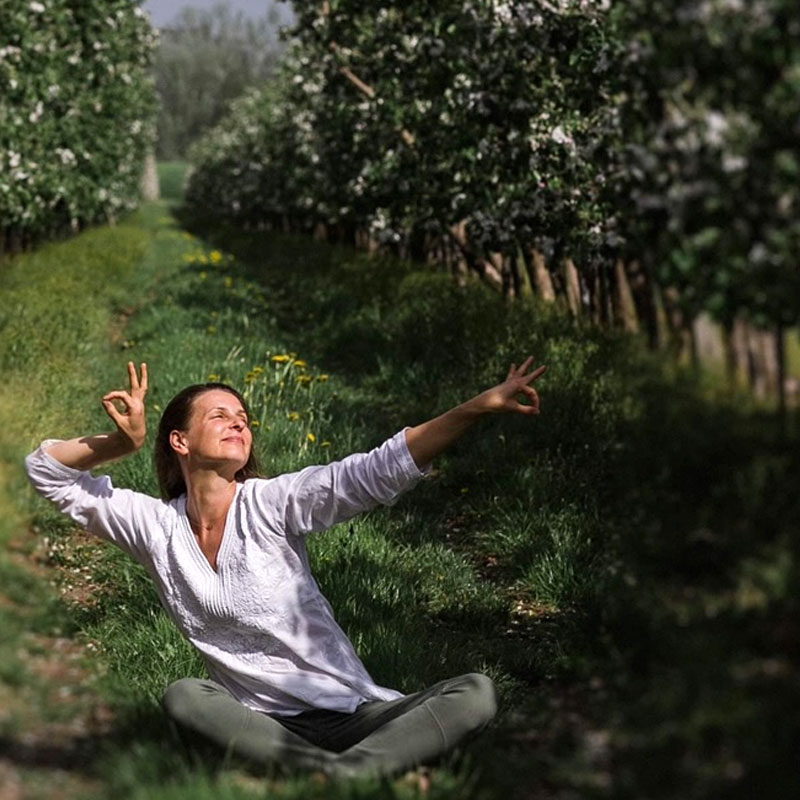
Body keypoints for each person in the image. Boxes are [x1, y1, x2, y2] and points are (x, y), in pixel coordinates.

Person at [24, 356, 546, 780]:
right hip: (261, 724)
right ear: (179, 442)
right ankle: (359, 776)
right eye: (220, 415)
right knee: (184, 695)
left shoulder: (269, 503)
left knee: (475, 692)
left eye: (244, 419)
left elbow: (372, 472)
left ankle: (332, 778)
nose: (238, 422)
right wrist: (122, 444)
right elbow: (45, 471)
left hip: (356, 715)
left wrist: (474, 409)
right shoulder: (154, 527)